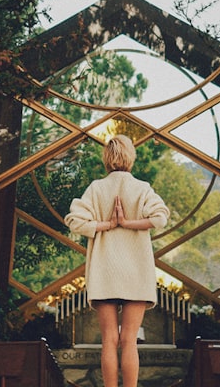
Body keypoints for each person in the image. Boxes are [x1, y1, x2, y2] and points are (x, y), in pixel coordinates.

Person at [65, 134, 170, 387]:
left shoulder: (96, 189)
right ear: (131, 157)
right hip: (136, 273)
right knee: (129, 340)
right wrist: (128, 223)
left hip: (105, 272)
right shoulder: (142, 188)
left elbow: (74, 221)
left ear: (106, 159)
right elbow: (160, 218)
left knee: (109, 340)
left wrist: (108, 224)